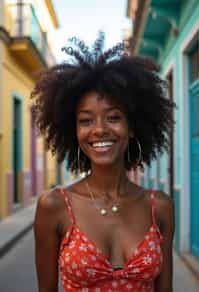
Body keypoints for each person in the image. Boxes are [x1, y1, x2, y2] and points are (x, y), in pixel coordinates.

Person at [32, 32, 175, 292]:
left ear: (132, 127)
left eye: (113, 117)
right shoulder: (54, 206)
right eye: (86, 120)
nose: (99, 130)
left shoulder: (160, 207)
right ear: (73, 130)